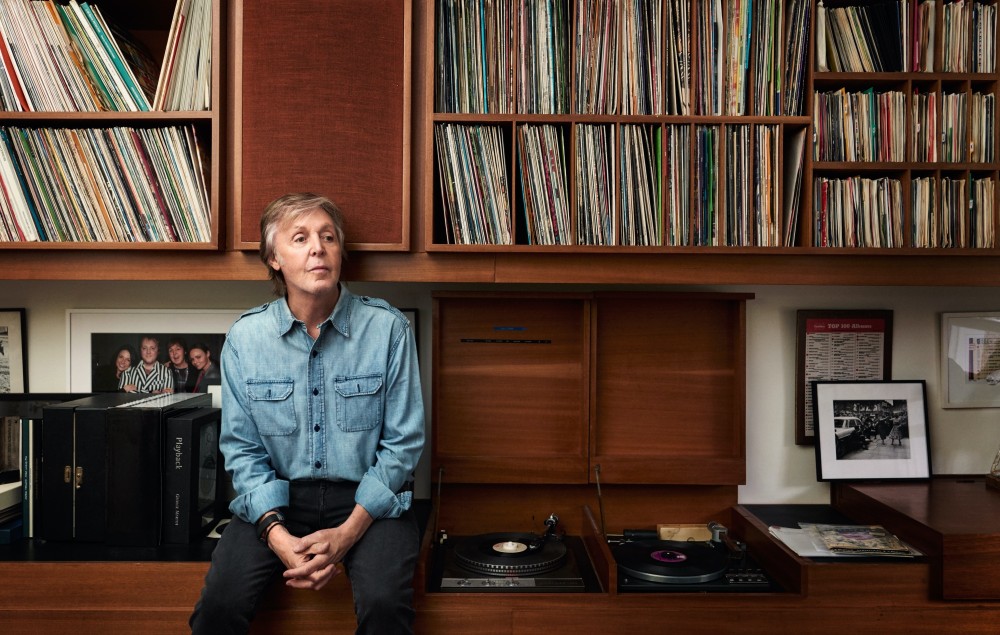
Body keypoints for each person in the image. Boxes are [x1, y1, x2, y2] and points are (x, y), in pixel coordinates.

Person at [190, 193, 424, 635]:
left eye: (328, 237)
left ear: (340, 253)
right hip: (278, 501)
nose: (318, 247)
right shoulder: (246, 338)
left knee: (384, 605)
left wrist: (347, 534)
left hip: (369, 502)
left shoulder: (389, 330)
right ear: (274, 259)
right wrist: (278, 537)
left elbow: (403, 445)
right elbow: (241, 450)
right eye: (300, 238)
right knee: (218, 608)